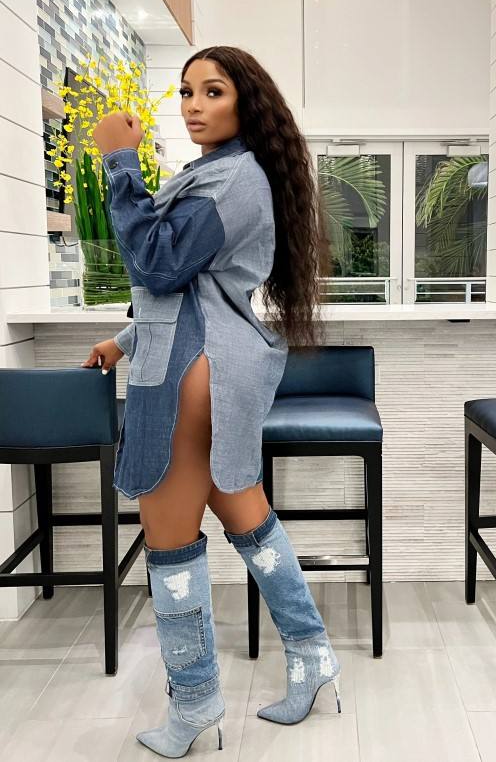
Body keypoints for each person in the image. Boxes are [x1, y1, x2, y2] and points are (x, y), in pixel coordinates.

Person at [80, 46, 340, 757]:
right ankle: (313, 656)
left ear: (245, 102)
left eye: (213, 91)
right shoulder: (230, 173)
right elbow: (190, 287)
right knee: (249, 520)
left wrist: (119, 162)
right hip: (206, 365)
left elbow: (158, 264)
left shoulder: (231, 179)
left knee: (169, 543)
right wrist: (123, 341)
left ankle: (194, 705)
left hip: (188, 375)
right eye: (187, 91)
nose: (194, 104)